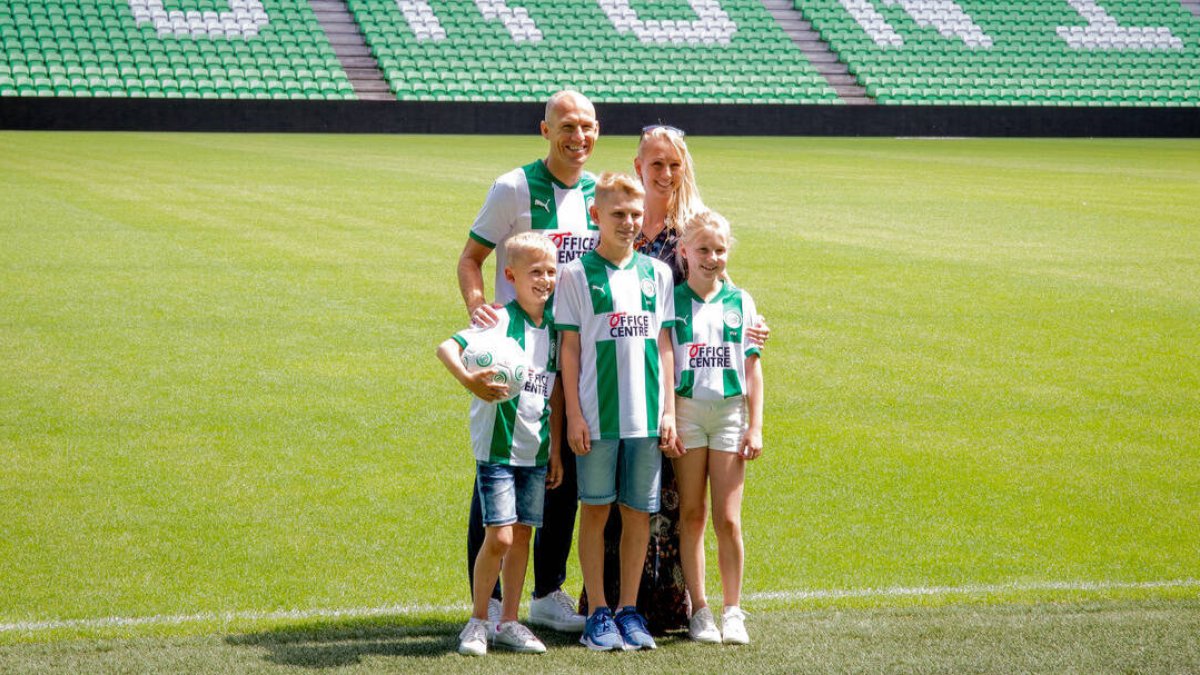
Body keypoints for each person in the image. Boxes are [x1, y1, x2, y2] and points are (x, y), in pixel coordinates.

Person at [581, 124, 770, 634]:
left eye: (674, 164)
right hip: (616, 386)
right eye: (655, 163)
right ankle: (607, 605)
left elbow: (722, 290)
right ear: (638, 166)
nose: (665, 173)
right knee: (617, 502)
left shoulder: (689, 227)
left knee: (663, 505)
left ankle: (666, 607)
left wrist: (752, 326)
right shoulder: (623, 219)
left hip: (672, 396)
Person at [455, 89, 599, 632]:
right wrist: (478, 308)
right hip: (519, 354)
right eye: (566, 125)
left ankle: (547, 591)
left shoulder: (596, 195)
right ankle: (487, 603)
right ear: (545, 130)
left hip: (574, 354)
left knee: (563, 471)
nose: (577, 136)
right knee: (498, 467)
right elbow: (471, 258)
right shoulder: (514, 186)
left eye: (587, 126)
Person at [555, 172, 681, 651]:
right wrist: (575, 416)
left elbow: (665, 344)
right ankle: (598, 613)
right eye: (617, 215)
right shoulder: (575, 275)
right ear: (596, 217)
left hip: (647, 419)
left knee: (637, 514)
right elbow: (569, 350)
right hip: (598, 417)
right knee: (595, 510)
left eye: (634, 215)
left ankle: (629, 609)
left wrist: (668, 411)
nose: (628, 223)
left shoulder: (659, 274)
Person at [436, 233, 564, 656]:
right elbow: (447, 347)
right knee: (501, 538)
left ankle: (510, 621)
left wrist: (557, 449)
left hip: (536, 450)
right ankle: (478, 620)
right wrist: (469, 380)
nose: (544, 280)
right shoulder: (498, 321)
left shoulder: (557, 330)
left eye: (550, 271)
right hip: (497, 449)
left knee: (523, 536)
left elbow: (555, 392)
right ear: (511, 276)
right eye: (535, 273)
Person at [670, 210, 764, 645]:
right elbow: (663, 362)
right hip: (688, 413)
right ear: (684, 251)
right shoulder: (672, 300)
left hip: (729, 414)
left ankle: (733, 610)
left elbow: (753, 368)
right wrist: (667, 415)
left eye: (720, 250)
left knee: (728, 519)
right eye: (703, 249)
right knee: (692, 515)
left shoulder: (741, 301)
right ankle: (700, 609)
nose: (712, 257)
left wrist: (755, 425)